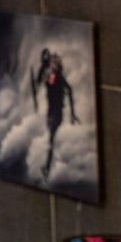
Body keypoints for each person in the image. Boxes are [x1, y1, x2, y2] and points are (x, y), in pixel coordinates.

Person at [32, 47, 79, 181]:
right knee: (50, 138)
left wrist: (72, 114)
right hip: (51, 111)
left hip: (57, 112)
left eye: (52, 63)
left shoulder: (57, 76)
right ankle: (50, 164)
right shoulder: (49, 74)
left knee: (51, 139)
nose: (50, 66)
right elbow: (42, 81)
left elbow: (69, 90)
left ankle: (47, 168)